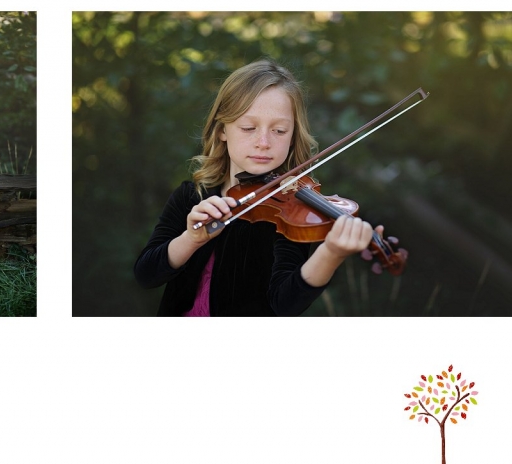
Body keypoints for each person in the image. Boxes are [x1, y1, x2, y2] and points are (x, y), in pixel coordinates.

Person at [134, 59, 385, 316]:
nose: (263, 142)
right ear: (222, 130)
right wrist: (190, 239)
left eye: (279, 130)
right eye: (248, 128)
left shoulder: (291, 212)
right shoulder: (190, 197)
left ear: (292, 136)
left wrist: (331, 253)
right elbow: (146, 276)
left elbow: (285, 304)